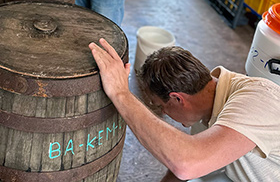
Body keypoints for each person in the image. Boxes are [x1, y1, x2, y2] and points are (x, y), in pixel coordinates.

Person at [89, 39, 280, 182]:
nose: (164, 114)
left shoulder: (257, 100)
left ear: (178, 98)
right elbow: (180, 166)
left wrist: (121, 94)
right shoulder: (207, 103)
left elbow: (186, 164)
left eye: (161, 107)